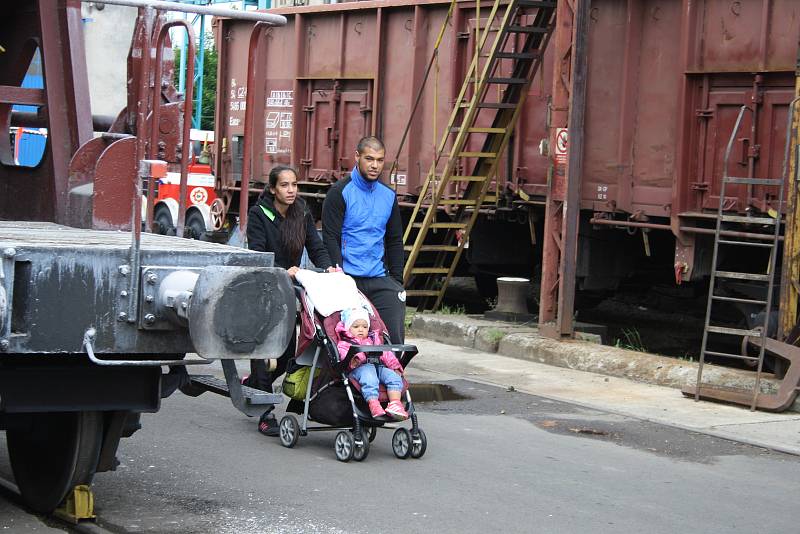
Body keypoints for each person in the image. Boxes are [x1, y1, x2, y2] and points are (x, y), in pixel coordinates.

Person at [246, 164, 335, 436]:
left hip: (290, 292)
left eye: (294, 185)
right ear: (273, 189)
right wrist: (282, 271)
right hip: (264, 289)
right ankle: (264, 412)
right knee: (264, 353)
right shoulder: (259, 213)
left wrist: (329, 268)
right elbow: (257, 254)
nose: (291, 190)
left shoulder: (302, 212)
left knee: (286, 358)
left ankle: (252, 384)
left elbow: (315, 246)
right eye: (284, 185)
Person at [322, 136, 406, 344]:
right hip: (348, 280)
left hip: (379, 278)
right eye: (369, 159)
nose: (375, 165)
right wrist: (339, 279)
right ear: (357, 157)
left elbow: (394, 240)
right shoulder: (339, 193)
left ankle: (392, 374)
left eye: (380, 160)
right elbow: (330, 237)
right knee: (349, 341)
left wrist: (397, 280)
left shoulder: (388, 196)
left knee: (394, 341)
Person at [336, 307, 408, 420]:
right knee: (370, 378)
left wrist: (395, 366)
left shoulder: (373, 340)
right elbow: (343, 355)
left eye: (364, 327)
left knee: (394, 377)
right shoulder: (345, 343)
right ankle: (373, 403)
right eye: (356, 326)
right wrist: (355, 357)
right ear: (347, 328)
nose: (361, 329)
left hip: (379, 366)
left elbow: (386, 353)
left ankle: (395, 404)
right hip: (360, 369)